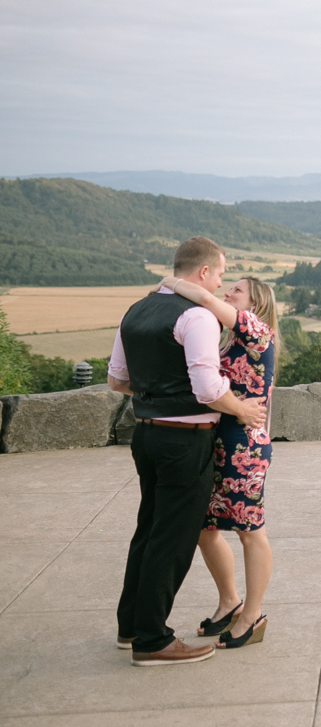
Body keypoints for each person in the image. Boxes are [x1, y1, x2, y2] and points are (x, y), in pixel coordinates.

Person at [107, 237, 267, 666]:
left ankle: (131, 626)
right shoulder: (196, 316)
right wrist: (241, 409)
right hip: (185, 441)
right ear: (201, 273)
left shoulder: (136, 310)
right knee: (173, 538)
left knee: (148, 529)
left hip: (145, 434)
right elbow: (208, 389)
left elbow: (117, 380)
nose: (219, 283)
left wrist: (156, 391)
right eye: (218, 274)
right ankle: (153, 640)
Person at [159, 272, 279, 649]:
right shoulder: (232, 338)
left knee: (249, 530)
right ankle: (229, 601)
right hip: (218, 440)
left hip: (244, 445)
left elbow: (208, 301)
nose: (229, 292)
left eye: (237, 290)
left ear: (255, 303)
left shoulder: (257, 329)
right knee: (204, 526)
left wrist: (170, 281)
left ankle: (252, 615)